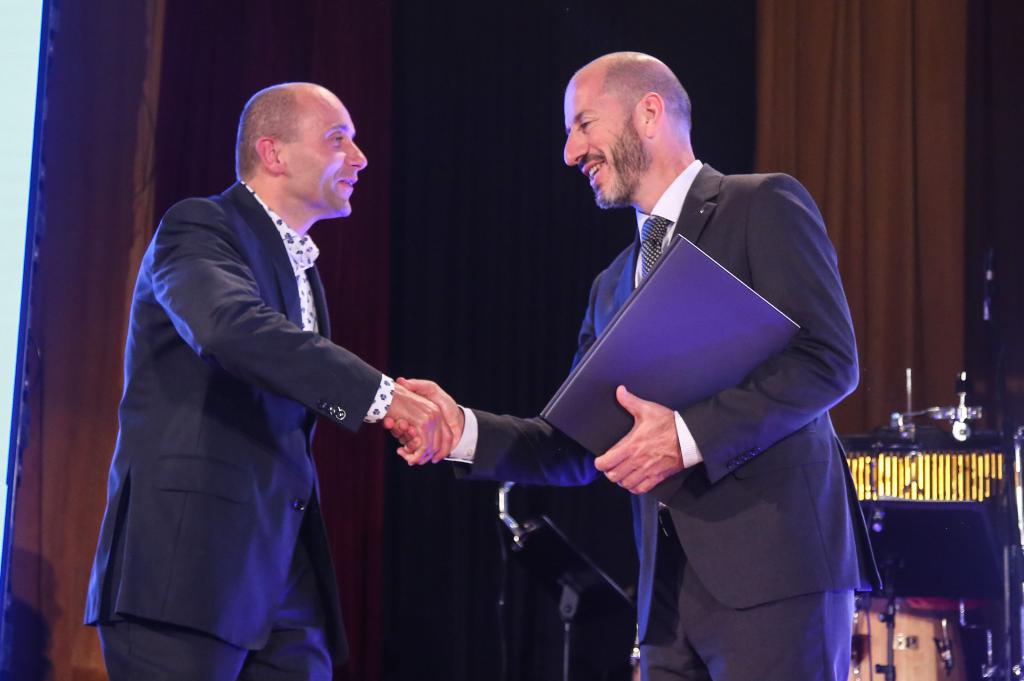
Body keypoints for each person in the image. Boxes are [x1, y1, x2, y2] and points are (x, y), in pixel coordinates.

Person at [391, 53, 879, 680]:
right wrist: (461, 430)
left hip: (777, 580)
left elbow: (828, 359)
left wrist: (685, 437)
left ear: (649, 113)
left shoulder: (760, 205)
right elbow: (575, 443)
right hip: (665, 607)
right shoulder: (611, 285)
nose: (570, 152)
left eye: (583, 124)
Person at [85, 82, 453, 680]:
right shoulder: (198, 226)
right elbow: (228, 327)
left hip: (280, 581)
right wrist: (383, 398)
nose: (360, 158)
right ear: (273, 153)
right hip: (185, 575)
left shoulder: (303, 270)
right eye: (338, 140)